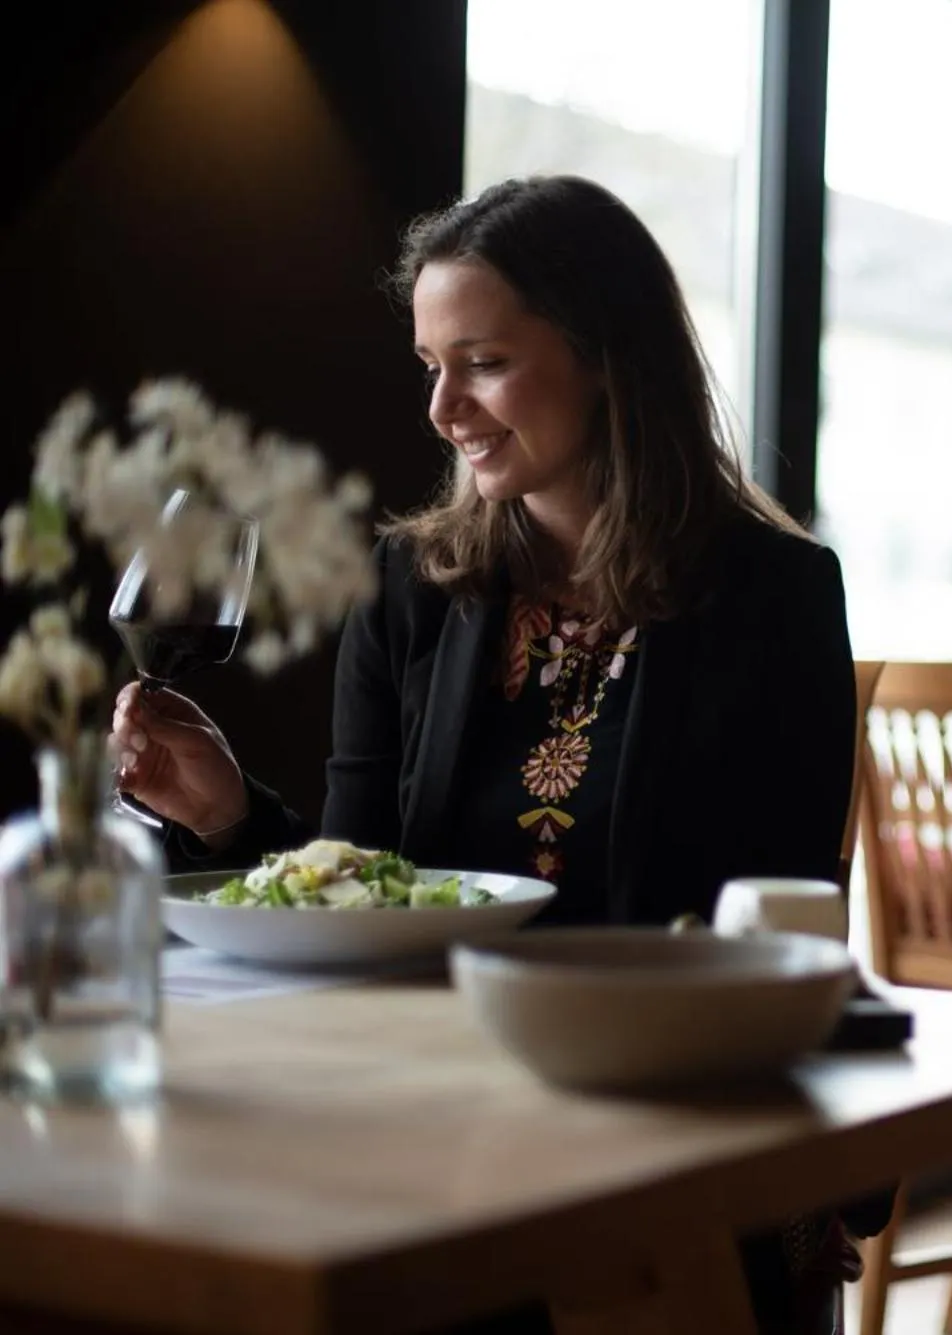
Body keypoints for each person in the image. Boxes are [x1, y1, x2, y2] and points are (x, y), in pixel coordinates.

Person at [110, 175, 867, 1335]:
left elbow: (782, 928)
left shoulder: (773, 596)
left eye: (483, 363)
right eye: (431, 365)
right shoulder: (409, 589)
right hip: (426, 1112)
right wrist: (225, 817)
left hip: (653, 1123)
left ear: (606, 356)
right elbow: (364, 896)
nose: (443, 408)